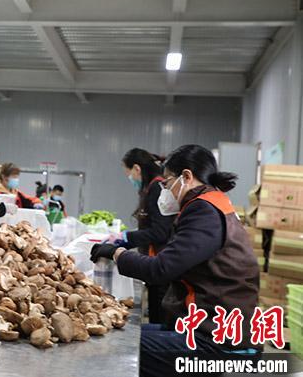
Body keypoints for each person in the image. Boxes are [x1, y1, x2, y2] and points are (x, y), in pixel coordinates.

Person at [90, 145, 260, 377]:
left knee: (115, 347)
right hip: (209, 326)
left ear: (187, 177)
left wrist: (116, 253)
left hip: (216, 340)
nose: (165, 191)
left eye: (168, 183)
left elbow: (160, 269)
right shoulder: (212, 203)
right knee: (121, 332)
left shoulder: (204, 211)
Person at [118, 148, 175, 324]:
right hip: (156, 263)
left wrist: (127, 238)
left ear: (137, 168)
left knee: (159, 318)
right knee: (155, 315)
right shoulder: (152, 188)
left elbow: (160, 232)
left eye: (129, 174)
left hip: (161, 264)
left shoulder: (158, 189)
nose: (131, 179)